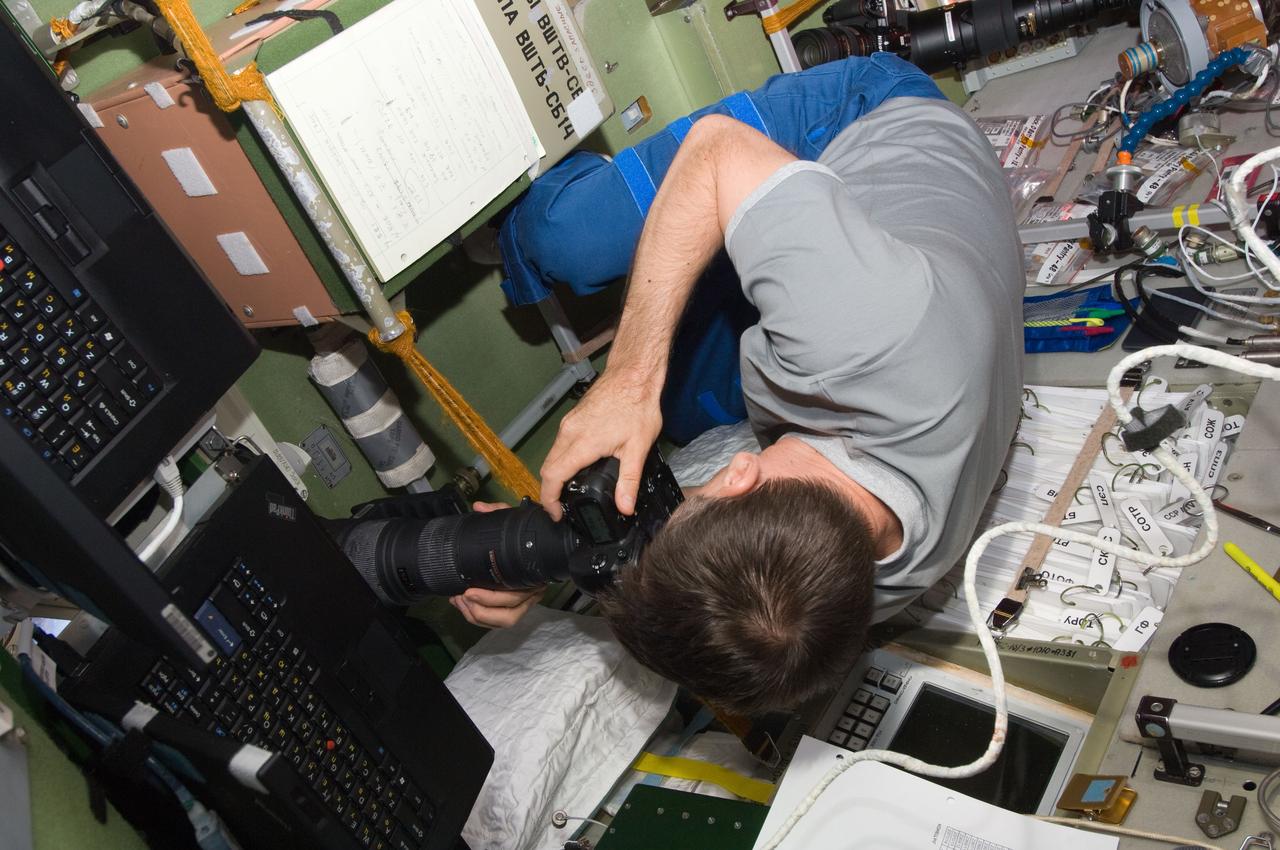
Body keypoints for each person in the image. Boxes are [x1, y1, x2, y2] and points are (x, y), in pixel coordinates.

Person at [452, 58, 1024, 717]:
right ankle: (530, 220)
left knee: (682, 413)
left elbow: (717, 572)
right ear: (738, 478)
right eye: (692, 505)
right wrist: (630, 379)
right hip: (864, 123)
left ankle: (717, 239)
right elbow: (717, 150)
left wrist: (542, 555)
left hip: (884, 288)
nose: (680, 504)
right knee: (570, 240)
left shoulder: (839, 596)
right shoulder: (870, 330)